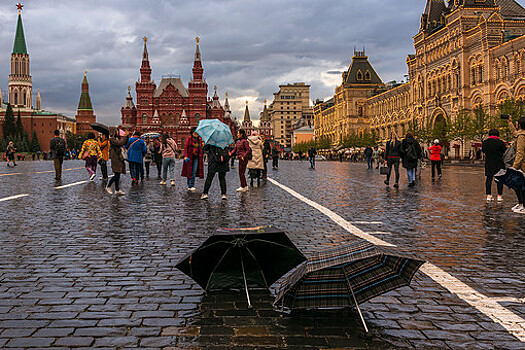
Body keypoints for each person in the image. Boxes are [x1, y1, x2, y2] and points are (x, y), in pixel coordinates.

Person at [482, 129, 506, 202]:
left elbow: (483, 151)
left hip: (489, 162)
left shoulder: (485, 142)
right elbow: (504, 151)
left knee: (489, 179)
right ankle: (499, 195)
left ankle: (489, 195)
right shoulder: (500, 142)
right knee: (499, 180)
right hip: (499, 163)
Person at [508, 117, 525, 213]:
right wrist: (510, 123)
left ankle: (523, 205)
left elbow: (520, 152)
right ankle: (521, 204)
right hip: (522, 164)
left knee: (520, 185)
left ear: (519, 125)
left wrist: (515, 167)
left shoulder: (522, 136)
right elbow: (515, 134)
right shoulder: (521, 135)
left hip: (522, 164)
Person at [106, 128, 129, 195]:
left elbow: (124, 143)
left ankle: (117, 189)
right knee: (116, 174)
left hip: (119, 158)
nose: (118, 132)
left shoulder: (116, 139)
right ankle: (108, 186)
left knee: (118, 174)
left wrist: (126, 136)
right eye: (116, 131)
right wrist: (125, 136)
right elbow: (120, 143)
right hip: (115, 159)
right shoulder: (112, 139)